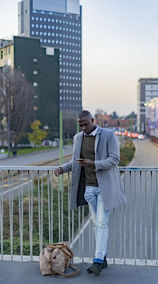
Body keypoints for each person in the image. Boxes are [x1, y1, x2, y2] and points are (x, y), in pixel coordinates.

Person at [54, 110, 126, 276]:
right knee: (97, 224)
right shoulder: (78, 138)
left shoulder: (108, 135)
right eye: (80, 125)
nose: (83, 127)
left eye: (86, 124)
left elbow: (115, 159)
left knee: (101, 223)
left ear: (93, 120)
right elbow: (75, 161)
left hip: (104, 188)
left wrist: (94, 164)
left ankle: (98, 261)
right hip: (89, 190)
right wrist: (62, 169)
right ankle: (103, 257)